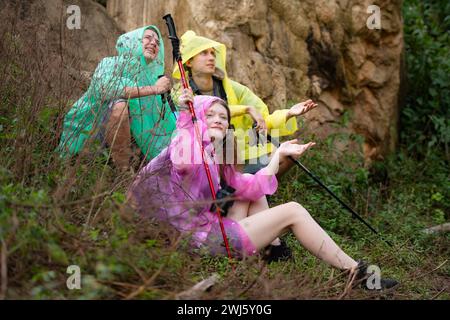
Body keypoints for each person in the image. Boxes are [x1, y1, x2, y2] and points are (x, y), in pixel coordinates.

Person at [129, 93, 398, 290]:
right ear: (197, 117)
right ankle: (354, 272)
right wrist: (189, 121)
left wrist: (279, 154)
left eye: (223, 117)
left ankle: (272, 249)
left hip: (206, 230)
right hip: (198, 241)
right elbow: (184, 164)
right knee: (293, 210)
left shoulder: (214, 155)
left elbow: (252, 185)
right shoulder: (182, 141)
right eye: (210, 115)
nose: (219, 121)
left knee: (247, 180)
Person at [172, 31, 318, 176]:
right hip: (205, 158)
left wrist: (289, 113)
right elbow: (202, 112)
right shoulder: (181, 93)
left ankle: (256, 192)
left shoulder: (231, 88)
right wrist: (245, 109)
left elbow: (263, 119)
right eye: (204, 53)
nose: (211, 58)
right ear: (189, 62)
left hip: (238, 153)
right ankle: (238, 191)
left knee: (289, 154)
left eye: (213, 53)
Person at [58, 26, 175, 171]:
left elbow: (167, 118)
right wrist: (153, 90)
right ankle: (123, 172)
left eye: (157, 42)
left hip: (135, 144)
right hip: (94, 134)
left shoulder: (152, 78)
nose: (153, 43)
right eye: (147, 38)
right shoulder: (110, 63)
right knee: (119, 106)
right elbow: (105, 88)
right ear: (133, 41)